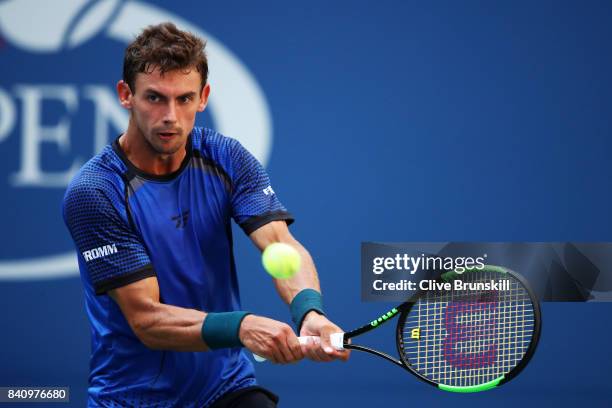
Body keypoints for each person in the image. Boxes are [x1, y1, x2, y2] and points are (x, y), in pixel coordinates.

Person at [62, 22, 348, 408]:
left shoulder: (227, 158)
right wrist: (242, 326)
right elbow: (147, 320)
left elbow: (279, 245)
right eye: (155, 98)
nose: (171, 117)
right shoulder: (95, 192)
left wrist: (309, 310)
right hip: (133, 399)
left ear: (204, 97)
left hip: (226, 388)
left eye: (184, 99)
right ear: (125, 95)